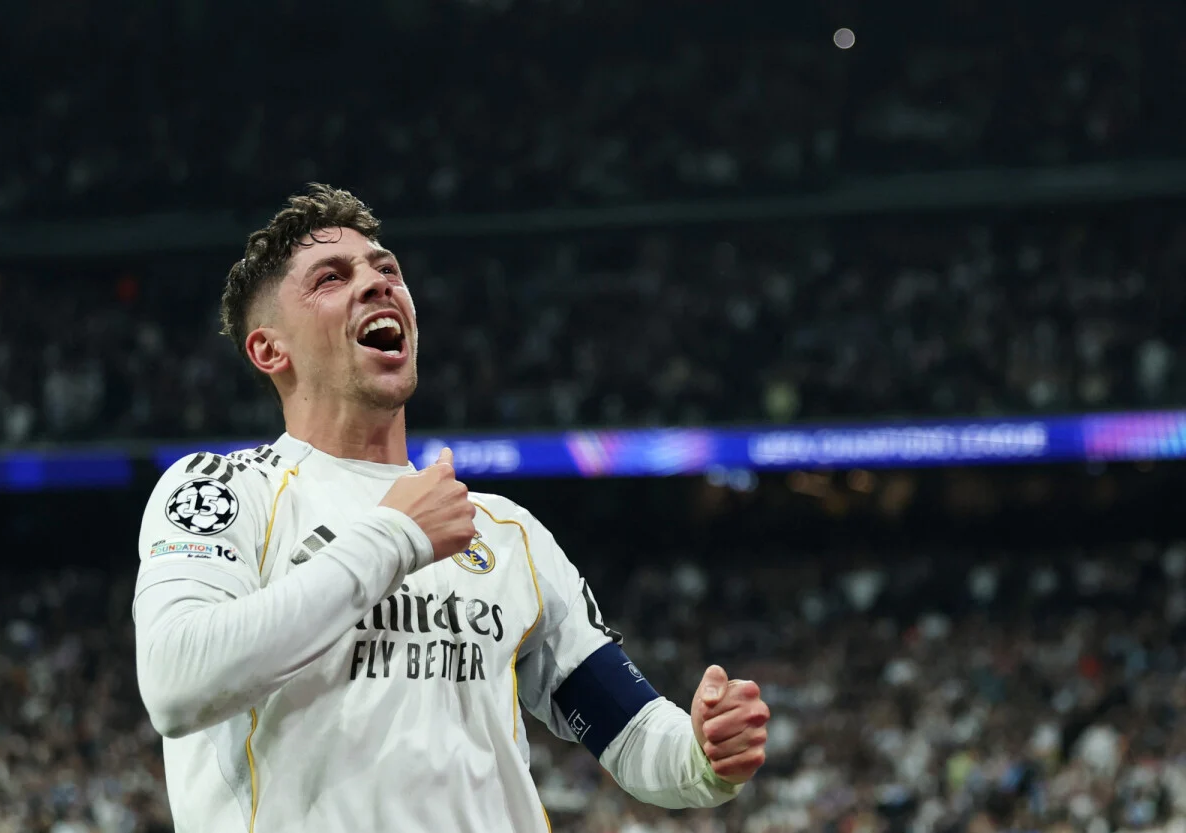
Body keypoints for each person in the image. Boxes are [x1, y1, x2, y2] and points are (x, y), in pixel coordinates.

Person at [131, 184, 770, 833]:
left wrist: (701, 752)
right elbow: (176, 682)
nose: (377, 283)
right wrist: (394, 536)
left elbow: (630, 733)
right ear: (270, 349)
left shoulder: (506, 532)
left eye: (386, 268)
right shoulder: (225, 489)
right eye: (331, 277)